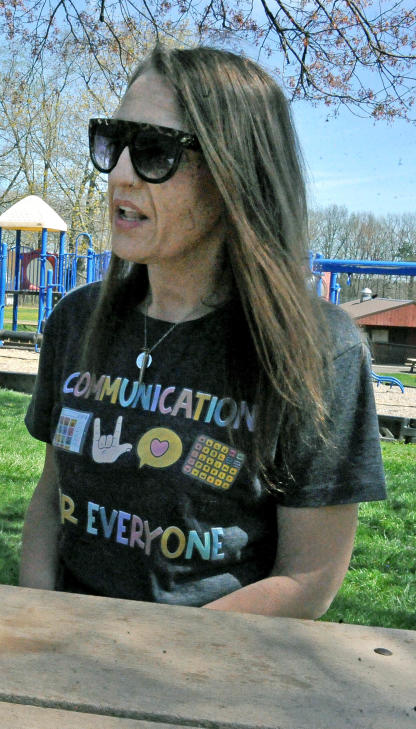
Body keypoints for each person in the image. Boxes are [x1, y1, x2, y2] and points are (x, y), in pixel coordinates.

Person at [19, 45, 386, 618]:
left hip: (207, 678)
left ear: (234, 174)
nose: (119, 173)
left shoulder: (317, 351)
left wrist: (148, 658)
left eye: (154, 151)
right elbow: (50, 499)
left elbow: (309, 575)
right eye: (113, 142)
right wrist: (40, 619)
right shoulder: (76, 321)